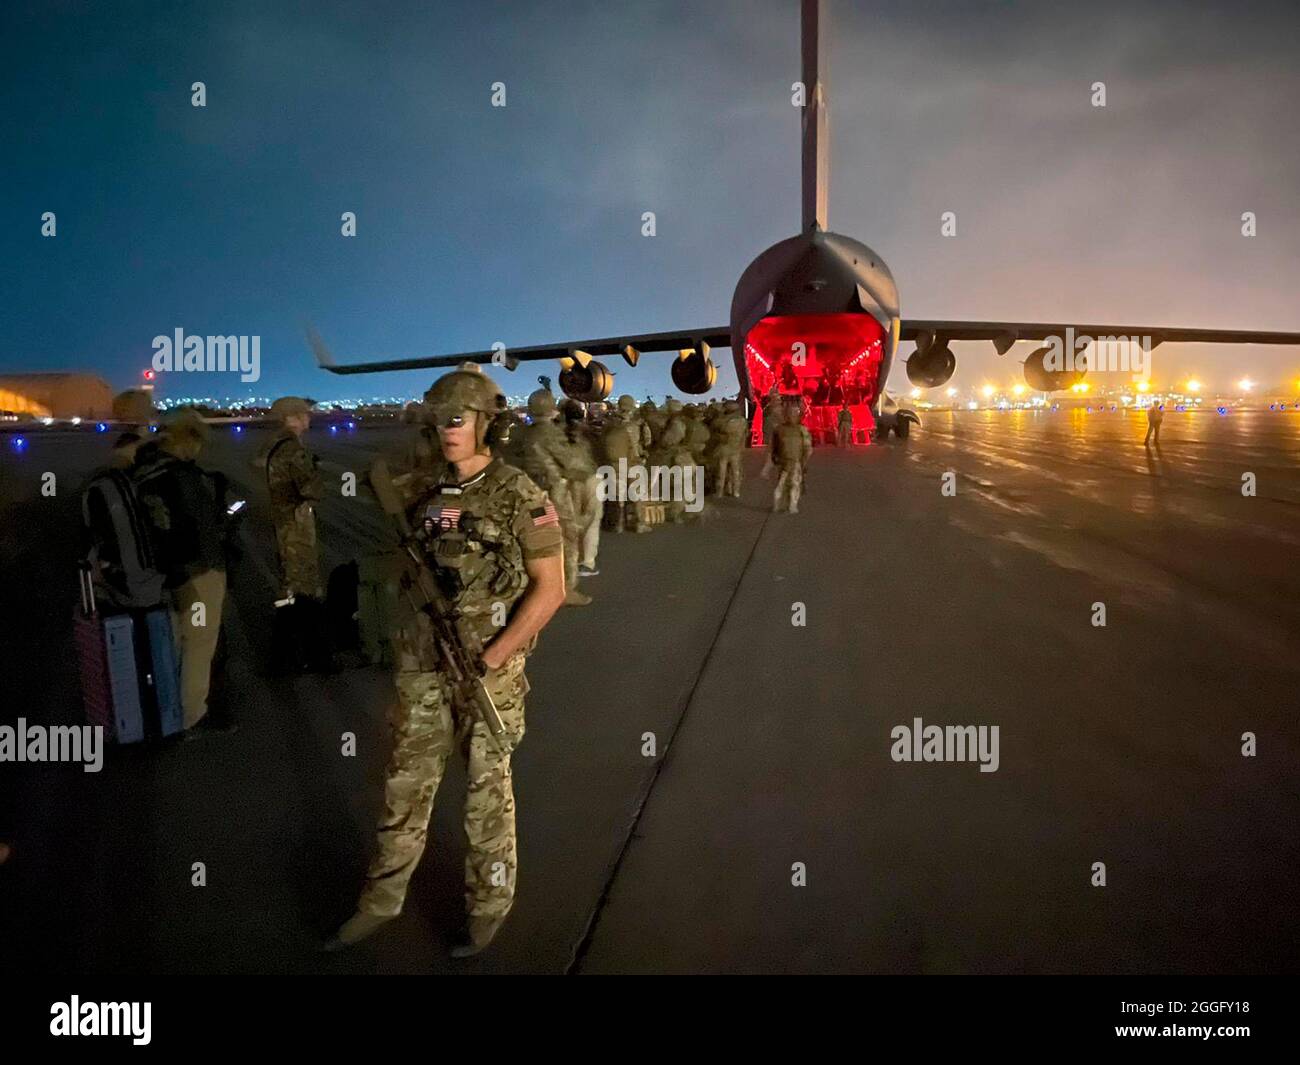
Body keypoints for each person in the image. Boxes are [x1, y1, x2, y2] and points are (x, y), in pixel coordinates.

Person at [326, 364, 566, 958]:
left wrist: (495, 655)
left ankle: (488, 908)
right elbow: (383, 510)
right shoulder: (426, 487)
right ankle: (379, 902)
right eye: (439, 422)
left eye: (457, 420)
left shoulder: (519, 494)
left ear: (487, 424)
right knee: (405, 785)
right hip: (423, 664)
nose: (447, 431)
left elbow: (552, 588)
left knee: (487, 794)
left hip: (487, 670)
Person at [131, 410, 230, 732]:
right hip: (198, 574)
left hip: (163, 575)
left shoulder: (144, 472)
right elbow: (197, 529)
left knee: (172, 645)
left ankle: (168, 712)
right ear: (187, 439)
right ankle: (192, 716)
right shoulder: (182, 477)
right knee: (199, 646)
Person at [261, 397, 334, 672]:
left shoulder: (275, 445)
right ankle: (314, 656)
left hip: (282, 524)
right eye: (304, 415)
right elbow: (311, 490)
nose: (308, 419)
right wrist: (316, 473)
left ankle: (285, 654)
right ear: (292, 417)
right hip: (297, 527)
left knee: (289, 591)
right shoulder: (294, 449)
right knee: (306, 589)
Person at [521, 387, 591, 605]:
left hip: (527, 493)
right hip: (554, 493)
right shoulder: (551, 434)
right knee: (567, 538)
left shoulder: (523, 433)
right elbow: (573, 463)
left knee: (533, 539)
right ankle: (565, 590)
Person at [770, 400, 812, 514]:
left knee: (783, 484)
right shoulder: (801, 430)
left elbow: (774, 447)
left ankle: (780, 505)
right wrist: (804, 463)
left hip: (787, 462)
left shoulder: (780, 429)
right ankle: (790, 506)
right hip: (792, 462)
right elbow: (808, 449)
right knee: (792, 484)